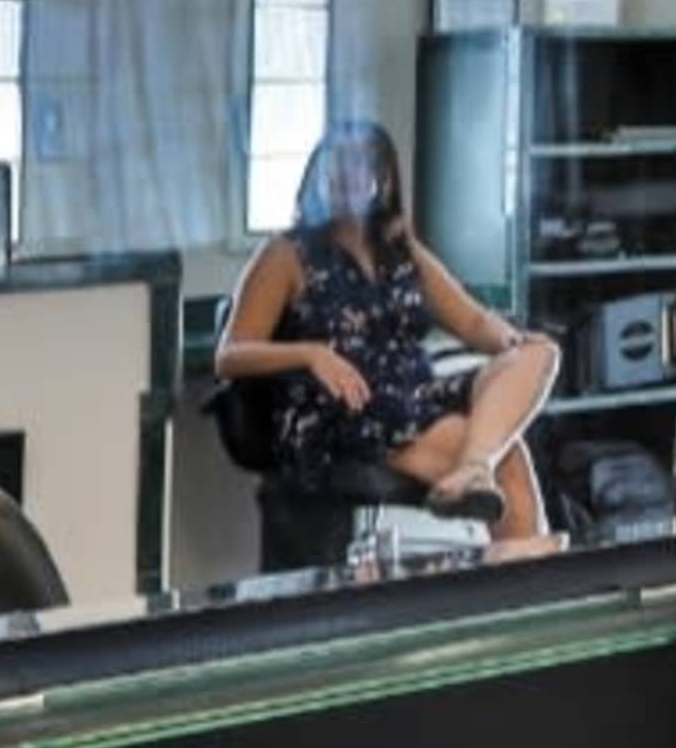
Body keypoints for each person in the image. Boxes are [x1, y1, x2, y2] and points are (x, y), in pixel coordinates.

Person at [217, 120, 561, 546]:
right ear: (318, 176)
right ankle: (516, 574)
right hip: (343, 411)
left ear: (383, 180)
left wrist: (511, 343)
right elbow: (229, 355)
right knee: (509, 458)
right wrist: (310, 354)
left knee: (539, 352)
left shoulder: (401, 251)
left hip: (413, 395)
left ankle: (475, 467)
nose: (347, 176)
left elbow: (471, 321)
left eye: (361, 165)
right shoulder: (286, 254)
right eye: (336, 164)